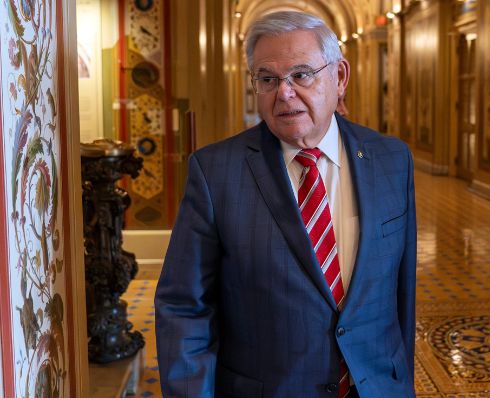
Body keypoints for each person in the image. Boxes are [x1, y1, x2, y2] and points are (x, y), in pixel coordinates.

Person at [155, 11, 416, 398]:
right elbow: (184, 308)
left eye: (302, 74)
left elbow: (401, 297)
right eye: (268, 79)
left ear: (339, 77)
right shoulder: (215, 172)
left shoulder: (392, 160)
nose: (285, 93)